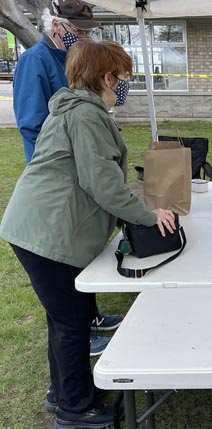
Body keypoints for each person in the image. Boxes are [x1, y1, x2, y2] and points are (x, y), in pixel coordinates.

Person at [0, 39, 176, 428]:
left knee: (64, 319)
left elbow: (101, 177)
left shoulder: (78, 110)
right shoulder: (86, 116)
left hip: (38, 227)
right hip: (47, 234)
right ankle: (75, 409)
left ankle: (63, 393)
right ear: (106, 76)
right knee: (71, 322)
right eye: (121, 77)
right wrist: (149, 215)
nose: (123, 84)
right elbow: (102, 185)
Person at [13, 0, 123, 359]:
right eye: (79, 30)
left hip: (74, 175)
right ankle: (80, 344)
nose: (83, 36)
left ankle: (89, 320)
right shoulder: (35, 60)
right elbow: (32, 121)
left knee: (77, 258)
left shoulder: (75, 62)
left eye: (88, 31)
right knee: (64, 299)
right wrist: (67, 160)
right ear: (57, 26)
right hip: (55, 184)